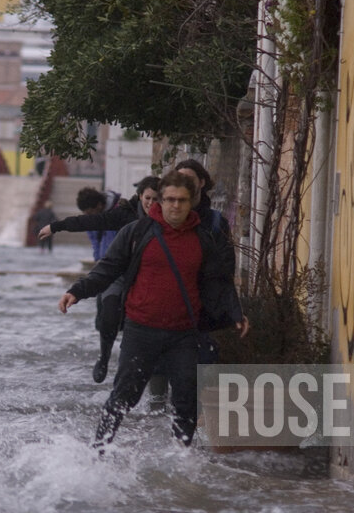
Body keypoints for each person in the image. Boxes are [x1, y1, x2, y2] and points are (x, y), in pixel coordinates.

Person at [58, 171, 249, 448]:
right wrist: (77, 291)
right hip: (141, 330)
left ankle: (181, 461)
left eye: (182, 200)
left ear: (191, 201)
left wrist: (235, 313)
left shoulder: (202, 239)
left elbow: (217, 281)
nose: (175, 206)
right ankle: (98, 450)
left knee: (185, 400)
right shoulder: (137, 233)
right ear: (159, 200)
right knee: (123, 397)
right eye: (169, 199)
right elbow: (108, 268)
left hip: (183, 334)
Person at [40, 176, 162, 383]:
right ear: (140, 196)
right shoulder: (126, 214)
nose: (151, 203)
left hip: (149, 278)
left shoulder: (168, 220)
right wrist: (57, 226)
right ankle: (104, 357)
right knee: (109, 313)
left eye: (156, 199)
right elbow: (95, 221)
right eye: (147, 198)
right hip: (120, 273)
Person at [148, 160, 246, 408]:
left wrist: (231, 308)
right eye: (178, 178)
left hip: (200, 310)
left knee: (199, 367)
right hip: (163, 307)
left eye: (189, 179)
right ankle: (156, 425)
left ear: (201, 183)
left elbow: (224, 270)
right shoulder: (161, 218)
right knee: (158, 368)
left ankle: (196, 425)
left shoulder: (214, 222)